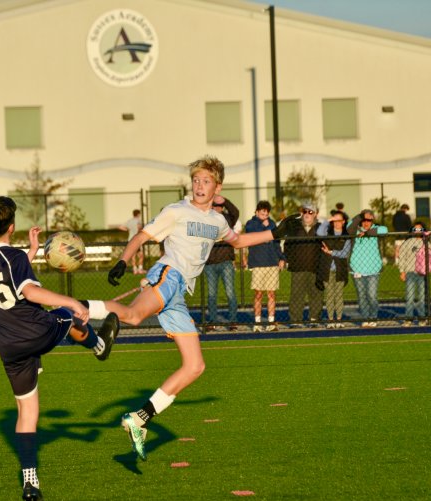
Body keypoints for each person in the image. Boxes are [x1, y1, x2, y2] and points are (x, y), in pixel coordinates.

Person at [96, 155, 299, 461]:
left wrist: (275, 233)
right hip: (169, 275)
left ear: (218, 187)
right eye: (196, 180)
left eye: (206, 181)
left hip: (180, 293)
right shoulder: (177, 211)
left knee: (195, 366)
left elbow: (238, 240)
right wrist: (123, 261)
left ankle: (139, 419)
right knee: (134, 315)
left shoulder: (217, 221)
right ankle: (79, 311)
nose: (200, 186)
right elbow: (141, 235)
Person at [0, 196, 120, 501]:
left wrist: (30, 249)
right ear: (11, 226)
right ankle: (99, 345)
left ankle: (30, 481)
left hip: (9, 345)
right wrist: (69, 301)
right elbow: (29, 290)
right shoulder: (11, 255)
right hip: (33, 329)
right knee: (69, 314)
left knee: (27, 413)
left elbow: (8, 269)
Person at [244, 200, 285, 332]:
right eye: (262, 213)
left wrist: (281, 258)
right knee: (258, 294)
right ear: (256, 212)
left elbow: (276, 242)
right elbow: (253, 232)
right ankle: (257, 322)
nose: (265, 216)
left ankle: (271, 322)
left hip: (272, 263)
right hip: (258, 263)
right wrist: (265, 226)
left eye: (266, 214)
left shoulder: (272, 223)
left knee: (271, 294)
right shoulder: (252, 224)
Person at [203, 195, 240, 331]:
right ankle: (212, 321)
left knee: (230, 293)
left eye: (219, 206)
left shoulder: (228, 219)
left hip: (226, 262)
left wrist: (224, 200)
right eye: (215, 205)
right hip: (210, 263)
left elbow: (235, 212)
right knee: (212, 294)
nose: (217, 208)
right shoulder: (206, 218)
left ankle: (233, 321)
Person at [284, 202, 324, 328]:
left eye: (310, 212)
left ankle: (314, 319)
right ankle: (296, 320)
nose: (307, 214)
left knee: (316, 294)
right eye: (305, 211)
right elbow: (287, 245)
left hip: (315, 267)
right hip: (298, 267)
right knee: (296, 294)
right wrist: (286, 259)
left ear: (316, 214)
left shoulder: (321, 228)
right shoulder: (294, 227)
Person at [347, 209, 388, 327]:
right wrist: (359, 216)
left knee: (372, 295)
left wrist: (367, 233)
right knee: (361, 296)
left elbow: (385, 230)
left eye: (369, 220)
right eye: (364, 220)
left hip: (373, 269)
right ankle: (365, 318)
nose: (366, 223)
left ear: (372, 221)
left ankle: (373, 317)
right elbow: (349, 227)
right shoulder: (355, 230)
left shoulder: (376, 229)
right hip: (356, 269)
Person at [317, 210, 351, 328]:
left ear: (343, 222)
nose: (337, 223)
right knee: (330, 296)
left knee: (339, 296)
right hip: (327, 269)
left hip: (340, 270)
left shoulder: (346, 236)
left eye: (339, 220)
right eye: (335, 220)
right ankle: (331, 320)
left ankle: (339, 319)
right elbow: (319, 232)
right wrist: (328, 220)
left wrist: (331, 252)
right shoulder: (327, 232)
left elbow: (344, 253)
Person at [395, 222, 428, 326]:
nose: (418, 231)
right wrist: (402, 271)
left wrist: (430, 267)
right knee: (410, 296)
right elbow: (402, 257)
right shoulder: (407, 242)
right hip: (410, 272)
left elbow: (430, 256)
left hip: (422, 273)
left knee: (422, 297)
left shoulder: (425, 242)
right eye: (415, 229)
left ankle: (422, 318)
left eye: (420, 229)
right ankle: (409, 319)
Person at [118, 209, 145, 274]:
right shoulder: (138, 220)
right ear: (138, 214)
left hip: (130, 239)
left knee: (133, 255)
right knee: (141, 255)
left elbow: (120, 227)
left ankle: (135, 269)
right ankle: (140, 269)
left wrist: (127, 229)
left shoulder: (130, 221)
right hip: (136, 239)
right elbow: (139, 227)